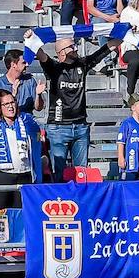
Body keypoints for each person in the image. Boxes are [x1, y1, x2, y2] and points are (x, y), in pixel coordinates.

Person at [33, 33, 118, 180]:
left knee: (81, 173)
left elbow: (105, 49)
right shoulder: (53, 67)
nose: (76, 48)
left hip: (81, 127)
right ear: (62, 52)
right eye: (72, 46)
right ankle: (60, 201)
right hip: (58, 128)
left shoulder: (82, 64)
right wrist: (31, 38)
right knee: (58, 174)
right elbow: (40, 54)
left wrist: (124, 33)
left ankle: (80, 202)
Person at [0, 89, 41, 210]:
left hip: (24, 174)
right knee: (0, 216)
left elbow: (36, 139)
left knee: (21, 215)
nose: (11, 106)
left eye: (12, 102)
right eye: (6, 104)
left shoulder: (27, 121)